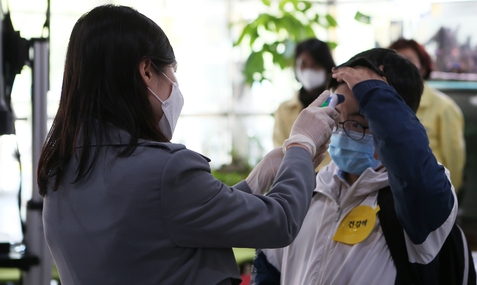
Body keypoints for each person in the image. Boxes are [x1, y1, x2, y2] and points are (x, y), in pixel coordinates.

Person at [36, 5, 338, 285]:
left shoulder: (60, 169)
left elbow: (175, 221)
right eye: (172, 72)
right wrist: (302, 144)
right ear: (146, 71)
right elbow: (280, 221)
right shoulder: (165, 170)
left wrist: (256, 181)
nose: (174, 86)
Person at [250, 48, 476, 284]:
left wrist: (374, 93)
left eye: (360, 124)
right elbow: (268, 266)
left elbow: (414, 169)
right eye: (335, 119)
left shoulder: (417, 203)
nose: (343, 131)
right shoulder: (307, 189)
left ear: (390, 125)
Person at [388, 38, 466, 192]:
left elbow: (454, 158)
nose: (400, 68)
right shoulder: (383, 105)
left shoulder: (443, 107)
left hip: (431, 193)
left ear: (423, 68)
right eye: (393, 62)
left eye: (408, 61)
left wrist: (449, 198)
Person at [273, 38, 336, 170]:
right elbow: (280, 149)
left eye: (315, 65)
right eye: (303, 64)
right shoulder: (284, 109)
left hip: (332, 180)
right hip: (295, 179)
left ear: (326, 67)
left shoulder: (338, 105)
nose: (308, 70)